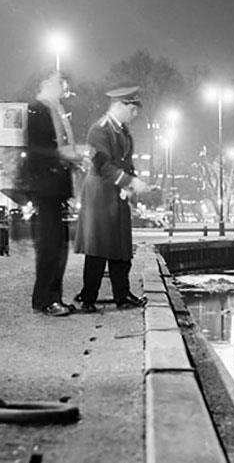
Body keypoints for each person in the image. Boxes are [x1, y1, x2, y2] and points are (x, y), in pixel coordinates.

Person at [73, 86, 150, 312]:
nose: (134, 115)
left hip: (116, 193)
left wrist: (133, 182)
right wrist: (129, 182)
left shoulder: (122, 132)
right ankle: (88, 297)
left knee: (121, 247)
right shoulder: (99, 130)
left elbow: (127, 163)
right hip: (100, 194)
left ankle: (122, 295)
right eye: (132, 109)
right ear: (119, 105)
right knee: (99, 248)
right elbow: (103, 165)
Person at [19, 71, 80, 317]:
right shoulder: (37, 111)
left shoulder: (55, 110)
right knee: (50, 245)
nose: (63, 90)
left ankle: (51, 297)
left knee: (57, 245)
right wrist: (63, 155)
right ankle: (46, 299)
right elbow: (35, 149)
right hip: (45, 186)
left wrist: (72, 159)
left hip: (55, 186)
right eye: (59, 84)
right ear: (46, 84)